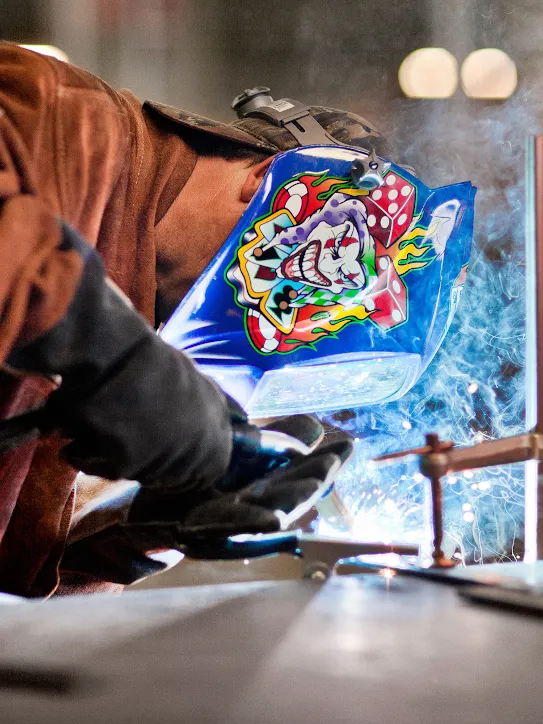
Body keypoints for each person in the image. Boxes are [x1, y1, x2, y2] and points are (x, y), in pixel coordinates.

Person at [0, 42, 391, 598]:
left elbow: (18, 570)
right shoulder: (60, 116)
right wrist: (120, 364)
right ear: (264, 184)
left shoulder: (145, 318)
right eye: (289, 299)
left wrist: (139, 530)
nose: (260, 341)